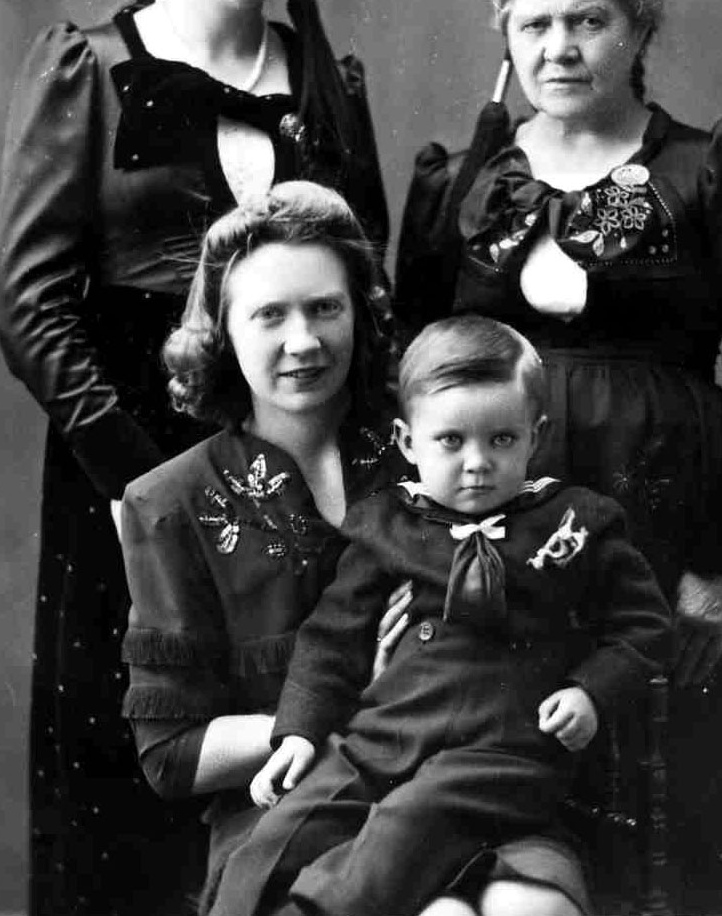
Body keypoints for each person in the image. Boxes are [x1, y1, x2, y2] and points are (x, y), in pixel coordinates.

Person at [0, 0, 388, 916]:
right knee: (140, 749)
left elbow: (367, 274)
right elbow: (29, 303)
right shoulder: (88, 66)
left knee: (295, 731)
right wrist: (138, 480)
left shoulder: (325, 77)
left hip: (293, 449)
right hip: (128, 449)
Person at [398, 0, 722, 915]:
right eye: (534, 25)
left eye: (588, 21)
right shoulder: (468, 181)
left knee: (681, 785)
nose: (559, 48)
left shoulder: (701, 168)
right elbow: (412, 361)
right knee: (521, 774)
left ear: (638, 30)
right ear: (506, 38)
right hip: (508, 521)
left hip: (671, 518)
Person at [121, 185, 614, 916]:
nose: (304, 342)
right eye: (269, 315)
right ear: (222, 330)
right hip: (293, 806)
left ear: (360, 311)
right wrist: (336, 710)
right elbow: (171, 756)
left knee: (527, 911)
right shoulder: (170, 503)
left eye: (325, 308)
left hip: (479, 785)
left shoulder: (442, 444)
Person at [209, 314, 671, 916]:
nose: (477, 462)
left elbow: (644, 626)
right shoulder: (387, 525)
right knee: (283, 830)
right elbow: (330, 639)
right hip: (383, 737)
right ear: (407, 442)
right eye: (451, 441)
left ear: (536, 435)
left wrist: (591, 691)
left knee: (407, 821)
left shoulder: (576, 522)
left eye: (501, 440)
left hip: (503, 751)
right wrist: (297, 731)